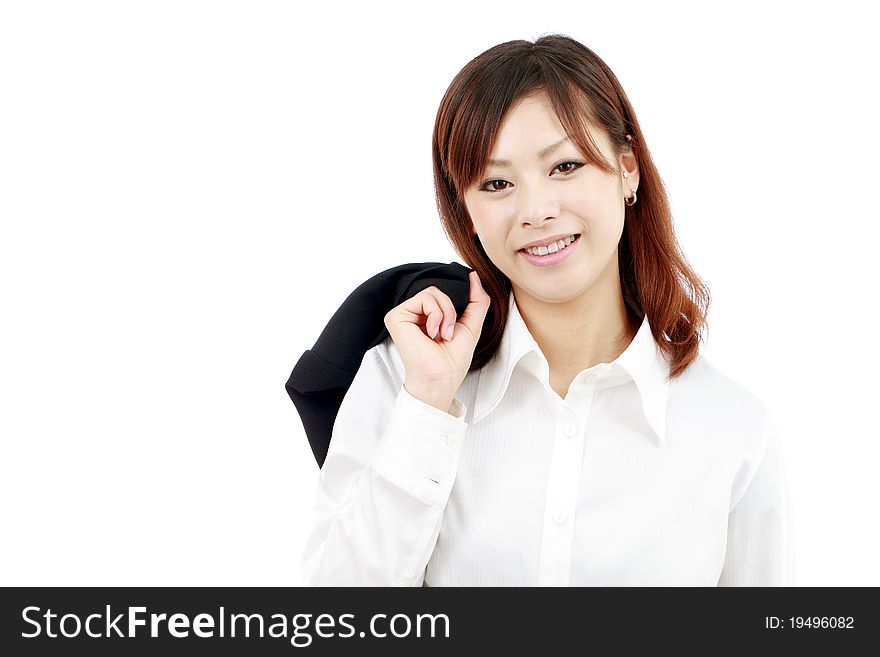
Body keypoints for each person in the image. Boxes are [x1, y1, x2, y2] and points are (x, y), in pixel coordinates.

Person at [299, 33, 795, 586]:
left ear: (626, 167)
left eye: (564, 166)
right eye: (497, 182)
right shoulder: (401, 381)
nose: (536, 210)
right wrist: (427, 404)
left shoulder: (733, 430)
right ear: (466, 212)